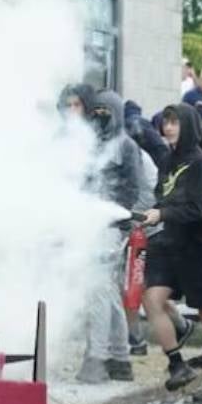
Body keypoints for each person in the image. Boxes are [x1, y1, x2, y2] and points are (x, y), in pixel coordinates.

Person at [141, 103, 202, 394]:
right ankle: (177, 365)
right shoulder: (168, 161)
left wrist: (161, 214)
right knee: (152, 299)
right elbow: (164, 198)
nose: (167, 127)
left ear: (189, 126)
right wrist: (148, 215)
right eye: (165, 121)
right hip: (170, 244)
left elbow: (196, 209)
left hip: (198, 249)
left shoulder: (201, 164)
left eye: (174, 122)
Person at [74, 90, 142, 382]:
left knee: (98, 290)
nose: (100, 116)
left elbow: (132, 189)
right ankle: (120, 358)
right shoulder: (91, 145)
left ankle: (97, 358)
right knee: (108, 292)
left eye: (106, 111)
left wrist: (114, 218)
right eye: (96, 110)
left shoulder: (126, 146)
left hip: (112, 228)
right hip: (92, 226)